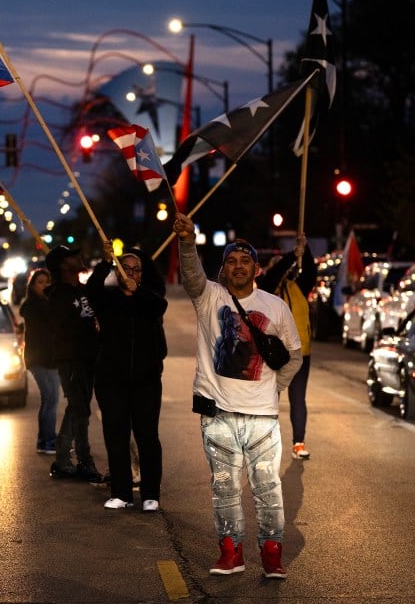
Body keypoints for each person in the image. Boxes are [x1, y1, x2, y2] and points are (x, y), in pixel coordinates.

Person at [172, 213, 302, 579]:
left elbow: (294, 355)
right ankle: (231, 554)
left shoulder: (275, 306)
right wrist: (186, 241)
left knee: (268, 489)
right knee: (225, 489)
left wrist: (274, 388)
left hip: (262, 418)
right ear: (224, 269)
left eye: (246, 261)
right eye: (232, 261)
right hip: (217, 414)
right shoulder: (209, 297)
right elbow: (192, 274)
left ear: (257, 269)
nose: (239, 266)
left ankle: (272, 555)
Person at [86, 246, 168, 512]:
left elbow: (160, 304)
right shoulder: (107, 299)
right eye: (125, 268)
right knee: (116, 436)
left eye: (135, 269)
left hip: (146, 380)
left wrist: (139, 288)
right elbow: (91, 290)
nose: (130, 272)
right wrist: (104, 262)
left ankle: (150, 495)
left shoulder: (149, 300)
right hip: (112, 380)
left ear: (142, 274)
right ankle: (121, 492)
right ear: (117, 272)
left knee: (147, 437)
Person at [45, 245, 102, 482]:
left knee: (77, 408)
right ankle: (84, 462)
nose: (79, 257)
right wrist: (88, 331)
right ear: (62, 265)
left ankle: (62, 460)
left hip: (87, 358)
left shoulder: (79, 289)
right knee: (80, 410)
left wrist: (106, 263)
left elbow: (97, 288)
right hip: (72, 360)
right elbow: (63, 330)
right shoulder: (60, 295)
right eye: (72, 256)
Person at [257, 236, 317, 460]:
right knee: (269, 399)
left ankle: (299, 443)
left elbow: (310, 271)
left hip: (300, 352)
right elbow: (272, 275)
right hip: (274, 354)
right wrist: (291, 256)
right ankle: (263, 444)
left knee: (298, 398)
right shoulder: (265, 290)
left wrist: (305, 248)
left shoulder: (298, 287)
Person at [19, 268, 58, 455]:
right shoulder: (33, 306)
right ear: (33, 285)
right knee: (50, 398)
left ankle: (45, 439)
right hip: (38, 358)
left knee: (50, 400)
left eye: (47, 282)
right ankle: (48, 441)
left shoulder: (50, 303)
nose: (44, 285)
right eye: (40, 282)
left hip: (53, 358)